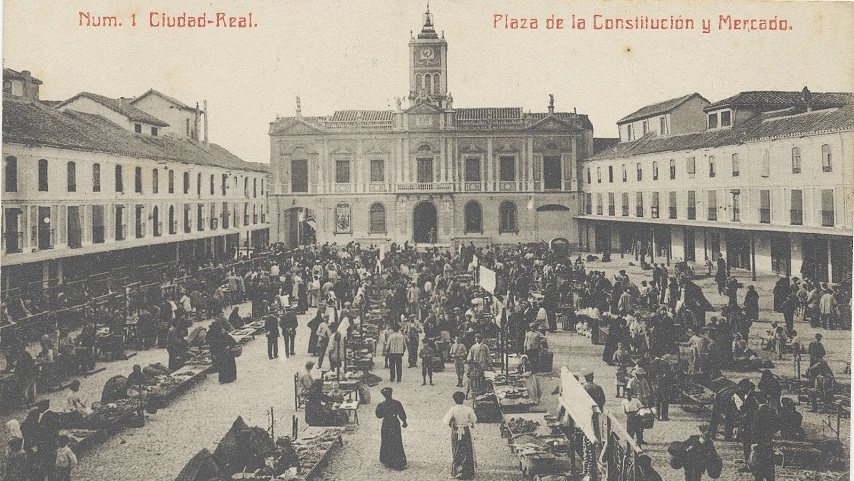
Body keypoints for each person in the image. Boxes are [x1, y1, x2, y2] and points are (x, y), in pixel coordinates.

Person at [443, 391, 477, 479]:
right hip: (465, 431)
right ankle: (467, 472)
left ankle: (457, 471)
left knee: (456, 450)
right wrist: (468, 421)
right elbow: (474, 419)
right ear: (463, 399)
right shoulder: (468, 409)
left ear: (454, 400)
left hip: (456, 431)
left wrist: (452, 421)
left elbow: (445, 420)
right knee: (467, 450)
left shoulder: (453, 409)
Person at [375, 387, 408, 470]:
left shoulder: (382, 405)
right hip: (394, 423)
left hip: (386, 424)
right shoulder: (397, 403)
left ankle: (387, 460)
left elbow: (379, 415)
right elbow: (401, 413)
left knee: (386, 441)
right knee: (396, 441)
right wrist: (404, 421)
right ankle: (398, 461)